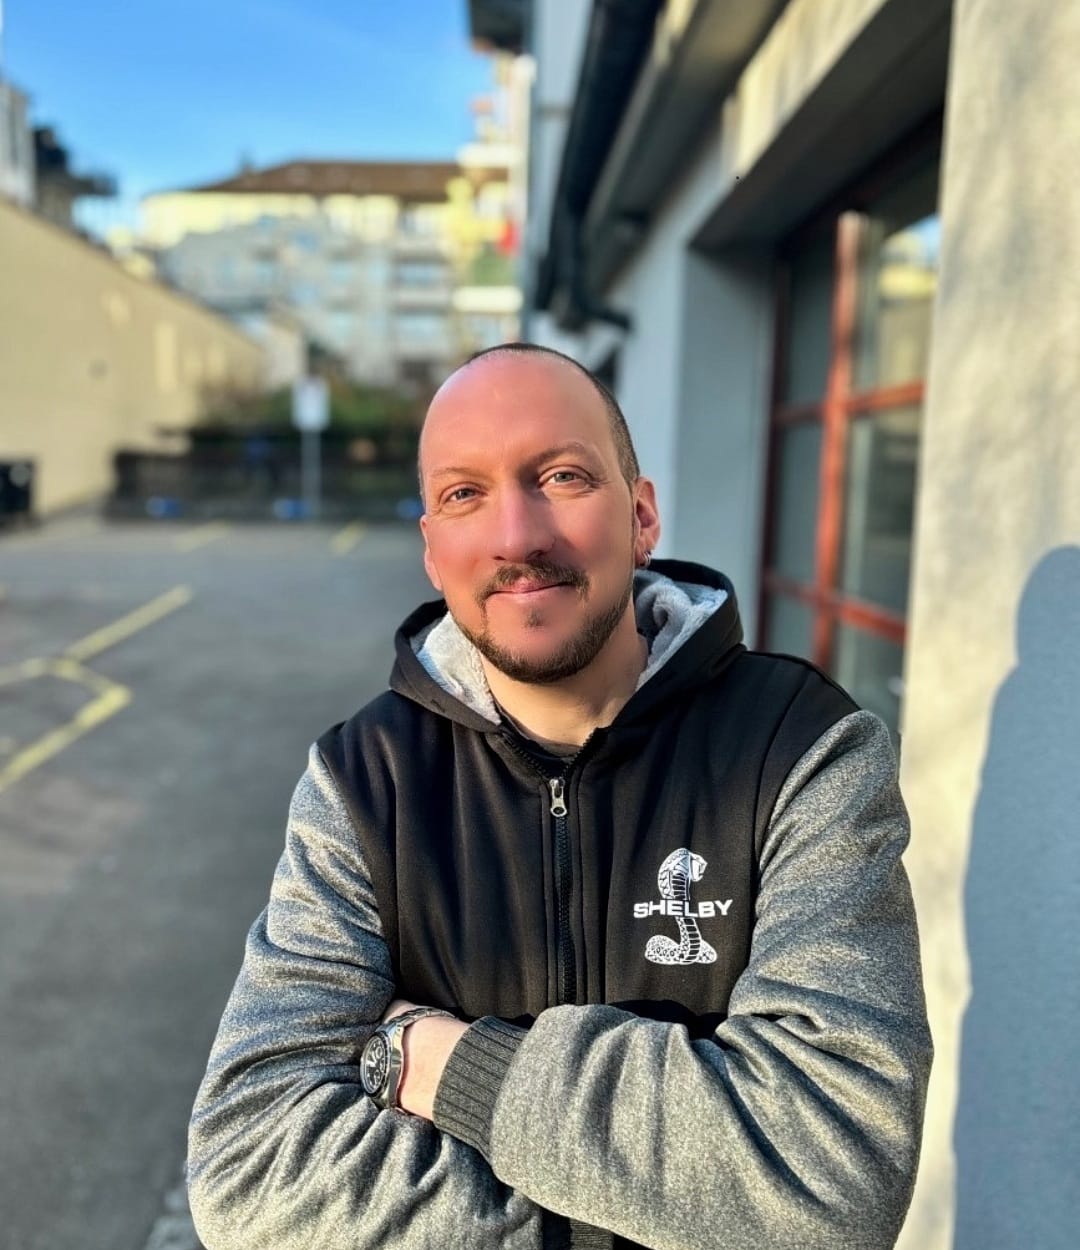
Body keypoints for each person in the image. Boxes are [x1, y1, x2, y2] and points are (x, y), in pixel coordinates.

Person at [187, 343, 932, 1250]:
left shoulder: (799, 748)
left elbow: (833, 1180)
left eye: (562, 477)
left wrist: (446, 1067)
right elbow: (248, 1169)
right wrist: (661, 1208)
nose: (517, 536)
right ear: (432, 552)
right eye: (465, 493)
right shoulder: (365, 781)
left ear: (642, 515)